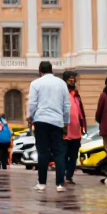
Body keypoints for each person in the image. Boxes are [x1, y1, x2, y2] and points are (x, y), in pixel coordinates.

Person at [27, 60, 70, 192]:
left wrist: (30, 118)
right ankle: (60, 184)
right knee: (59, 153)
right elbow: (66, 105)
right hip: (56, 121)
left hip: (40, 120)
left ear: (40, 71)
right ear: (52, 70)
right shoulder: (62, 84)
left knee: (43, 152)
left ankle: (42, 183)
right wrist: (65, 122)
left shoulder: (35, 83)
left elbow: (32, 104)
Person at [63, 71, 88, 183]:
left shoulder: (77, 95)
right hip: (65, 131)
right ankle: (62, 175)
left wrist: (83, 126)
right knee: (64, 155)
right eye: (70, 79)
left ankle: (69, 177)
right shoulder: (62, 94)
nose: (73, 81)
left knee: (73, 156)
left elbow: (80, 113)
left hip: (76, 132)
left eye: (74, 79)